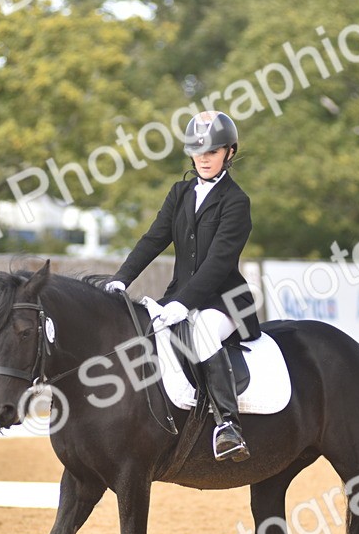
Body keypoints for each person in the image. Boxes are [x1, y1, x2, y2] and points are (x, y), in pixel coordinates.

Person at [106, 111, 258, 462]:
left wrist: (184, 303)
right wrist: (120, 279)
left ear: (229, 153)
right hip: (181, 296)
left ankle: (227, 425)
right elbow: (153, 239)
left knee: (202, 329)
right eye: (197, 150)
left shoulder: (236, 202)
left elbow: (219, 262)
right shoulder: (180, 192)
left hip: (226, 301)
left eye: (213, 151)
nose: (204, 158)